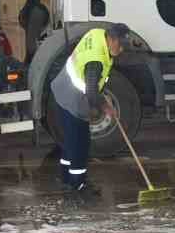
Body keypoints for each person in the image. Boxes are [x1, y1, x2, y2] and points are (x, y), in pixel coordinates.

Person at [49, 23, 129, 194]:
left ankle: (65, 178)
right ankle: (78, 184)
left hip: (62, 87)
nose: (121, 50)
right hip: (73, 98)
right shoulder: (96, 60)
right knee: (80, 143)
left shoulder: (97, 33)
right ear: (112, 39)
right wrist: (106, 107)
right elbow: (91, 93)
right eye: (120, 46)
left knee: (70, 140)